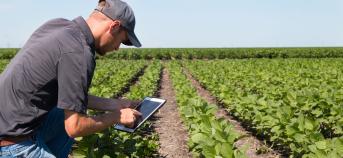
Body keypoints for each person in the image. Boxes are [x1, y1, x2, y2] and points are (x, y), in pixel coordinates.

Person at [0, 0, 143, 157]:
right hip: (12, 142)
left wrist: (116, 105)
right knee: (71, 120)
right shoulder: (79, 53)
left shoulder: (58, 26)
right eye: (121, 41)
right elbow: (75, 127)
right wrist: (117, 117)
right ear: (114, 26)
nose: (117, 48)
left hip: (10, 123)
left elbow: (72, 98)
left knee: (63, 112)